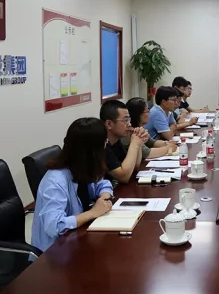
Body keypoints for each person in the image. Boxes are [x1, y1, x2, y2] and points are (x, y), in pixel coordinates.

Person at [32, 118, 114, 252]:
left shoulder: (81, 167)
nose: (106, 145)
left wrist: (104, 197)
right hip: (54, 253)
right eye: (104, 142)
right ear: (92, 151)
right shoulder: (55, 181)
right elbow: (54, 226)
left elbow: (101, 183)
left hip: (77, 240)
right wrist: (92, 213)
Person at [100, 99, 148, 184]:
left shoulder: (116, 142)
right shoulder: (102, 145)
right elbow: (124, 176)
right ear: (109, 124)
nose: (129, 124)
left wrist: (138, 141)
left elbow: (135, 166)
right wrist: (134, 143)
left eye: (129, 119)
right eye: (125, 120)